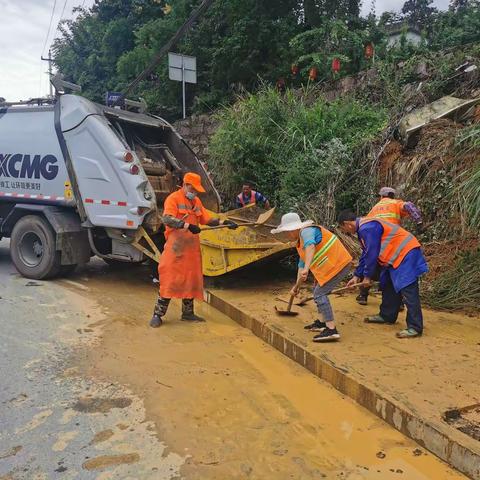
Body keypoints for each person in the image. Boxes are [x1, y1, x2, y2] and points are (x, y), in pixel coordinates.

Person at [150, 172, 238, 328]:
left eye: (196, 190)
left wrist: (225, 221)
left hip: (191, 249)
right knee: (169, 279)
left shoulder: (196, 201)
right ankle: (158, 314)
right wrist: (187, 225)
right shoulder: (173, 199)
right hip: (176, 248)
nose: (194, 192)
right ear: (184, 185)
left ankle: (187, 313)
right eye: (192, 189)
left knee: (191, 280)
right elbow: (167, 218)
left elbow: (207, 219)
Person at [338, 210, 428, 339]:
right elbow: (365, 254)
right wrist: (357, 276)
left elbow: (372, 254)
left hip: (405, 253)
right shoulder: (364, 228)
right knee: (388, 284)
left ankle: (415, 327)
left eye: (343, 228)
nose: (345, 232)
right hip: (393, 258)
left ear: (347, 224)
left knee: (408, 288)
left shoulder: (366, 228)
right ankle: (387, 315)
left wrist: (367, 277)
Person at [271, 213, 352, 342]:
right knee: (316, 289)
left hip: (339, 264)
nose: (287, 235)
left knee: (319, 293)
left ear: (294, 229)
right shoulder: (299, 244)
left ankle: (331, 330)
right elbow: (301, 268)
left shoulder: (307, 231)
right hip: (330, 267)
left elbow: (311, 246)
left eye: (287, 232)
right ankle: (322, 322)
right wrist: (296, 287)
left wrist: (307, 268)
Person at [357, 187, 423, 305]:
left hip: (376, 242)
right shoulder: (396, 203)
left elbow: (367, 223)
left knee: (369, 264)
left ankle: (363, 296)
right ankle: (399, 303)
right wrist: (418, 219)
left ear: (381, 196)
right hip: (393, 244)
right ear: (393, 195)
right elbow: (408, 206)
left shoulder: (375, 208)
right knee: (394, 272)